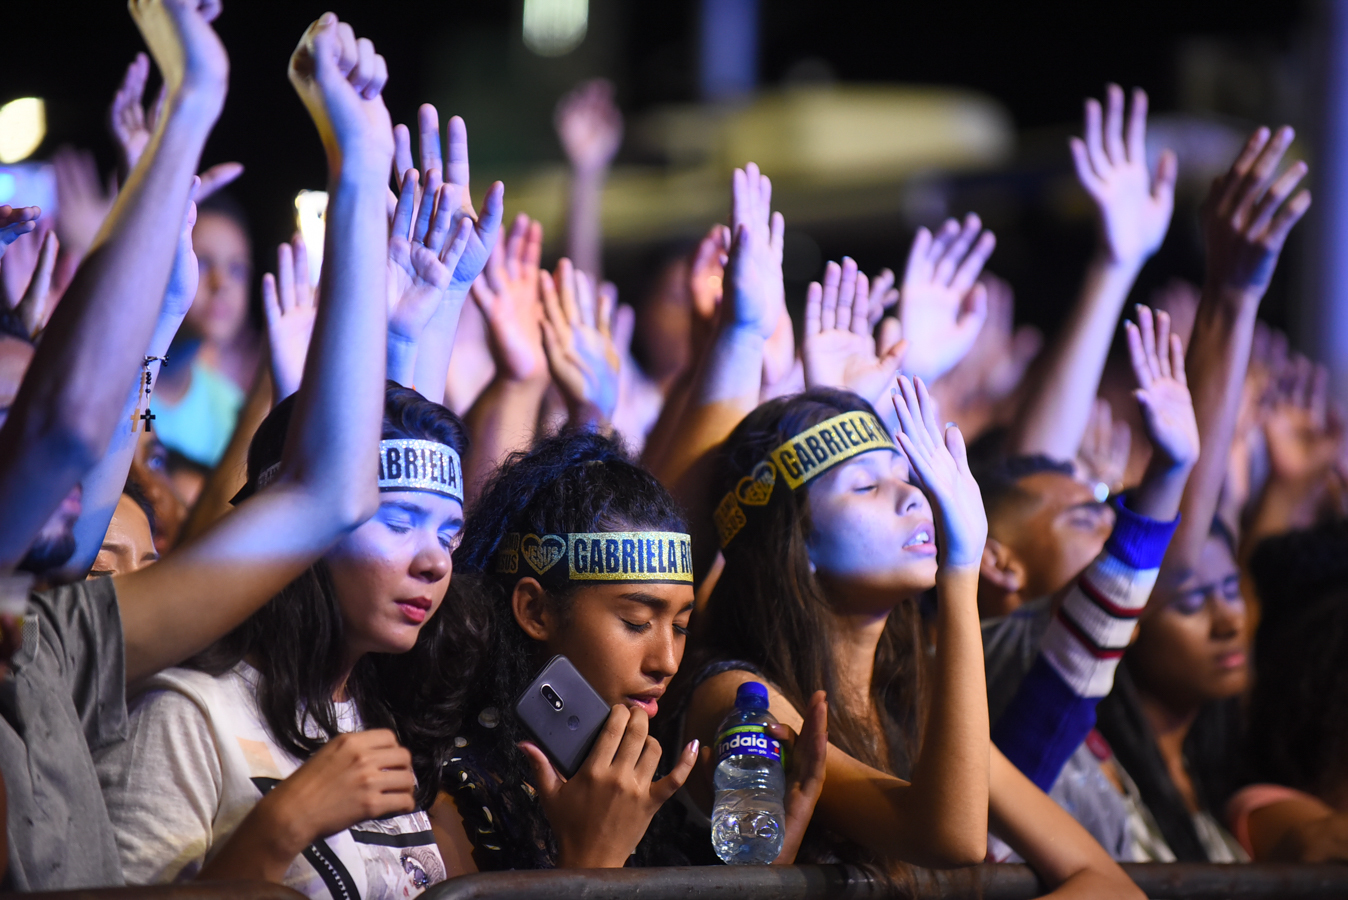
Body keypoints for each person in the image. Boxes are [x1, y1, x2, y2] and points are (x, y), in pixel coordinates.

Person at [0, 7, 400, 889]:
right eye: (3, 418)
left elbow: (331, 491)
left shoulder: (52, 641)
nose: (40, 447)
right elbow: (67, 423)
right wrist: (191, 100)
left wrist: (361, 171)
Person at [671, 382, 1139, 899]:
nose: (914, 496)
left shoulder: (906, 698)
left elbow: (1108, 882)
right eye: (866, 487)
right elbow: (948, 837)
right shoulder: (738, 699)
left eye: (904, 476)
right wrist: (959, 570)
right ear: (796, 540)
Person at [97, 384, 469, 896]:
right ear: (300, 525)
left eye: (450, 536)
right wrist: (284, 825)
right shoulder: (184, 715)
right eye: (399, 523)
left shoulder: (384, 710)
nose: (436, 562)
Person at [419, 429, 826, 871]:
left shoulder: (645, 790)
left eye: (682, 626)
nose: (667, 661)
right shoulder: (449, 796)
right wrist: (594, 859)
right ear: (535, 611)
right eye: (636, 623)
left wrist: (767, 862)